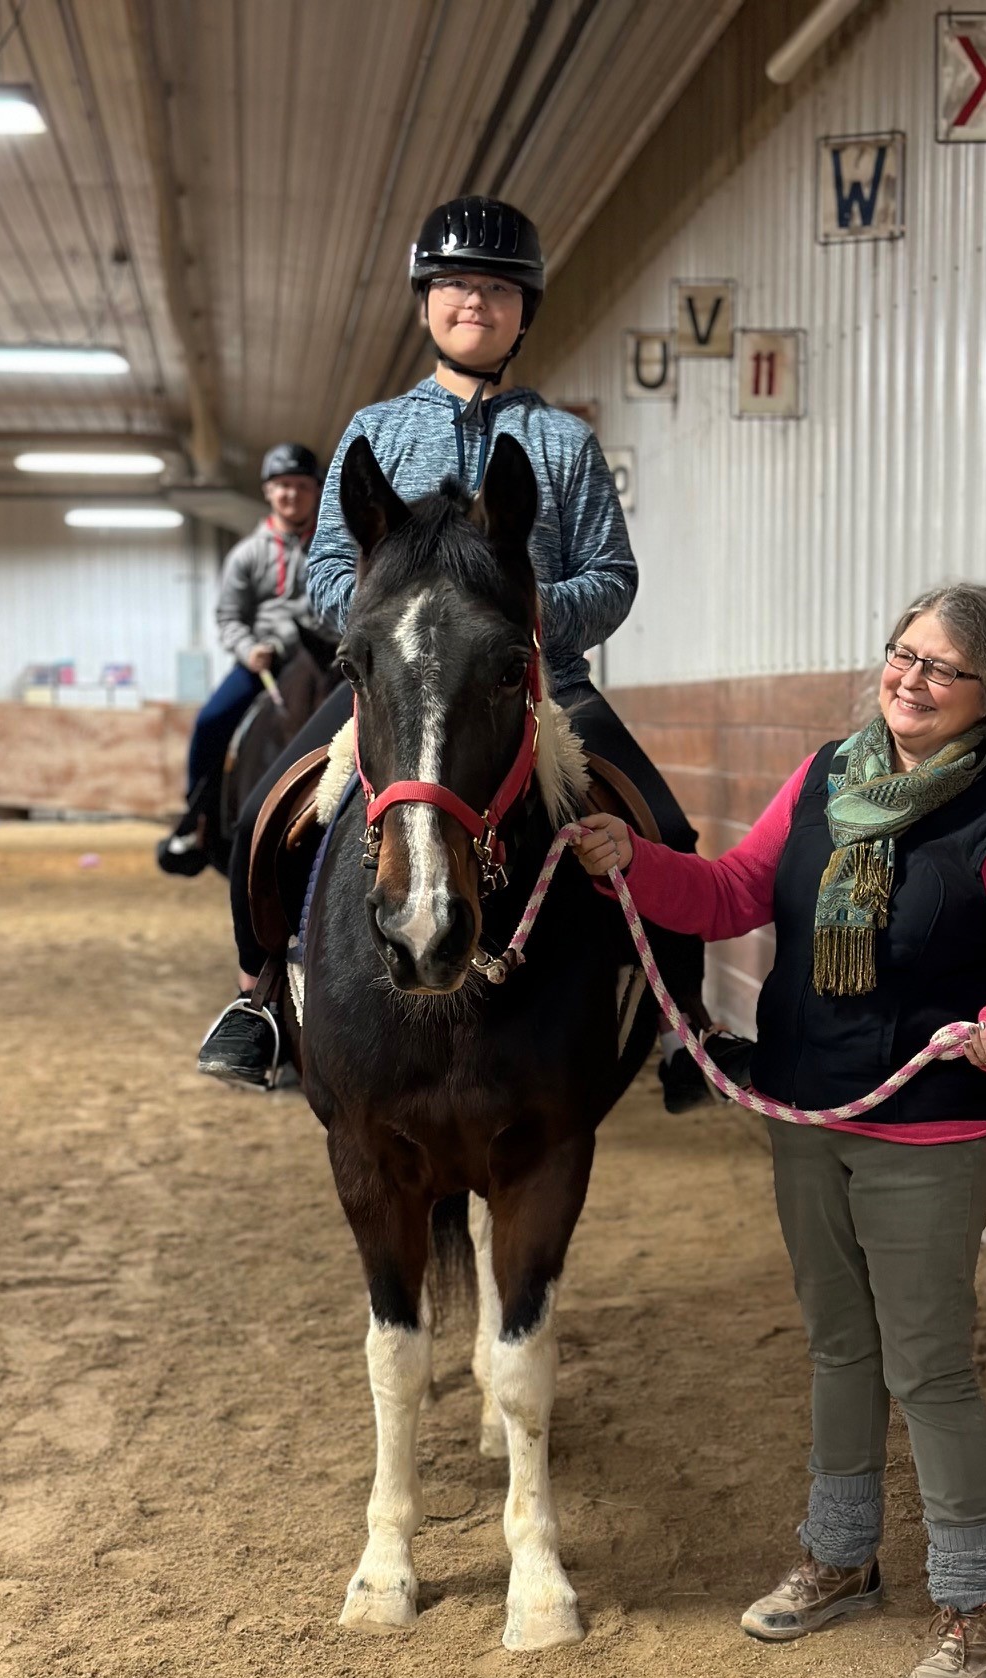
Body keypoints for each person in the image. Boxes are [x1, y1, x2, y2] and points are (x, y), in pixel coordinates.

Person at [571, 584, 986, 1678]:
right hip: (808, 1113)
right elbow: (735, 892)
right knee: (838, 1349)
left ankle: (979, 1612)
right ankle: (841, 1557)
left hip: (928, 1132)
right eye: (903, 655)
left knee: (930, 1368)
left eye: (942, 669)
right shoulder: (824, 778)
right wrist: (634, 859)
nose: (910, 679)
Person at [196, 193, 709, 1102]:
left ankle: (682, 1024)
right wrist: (400, 622)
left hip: (542, 684)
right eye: (457, 285)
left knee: (665, 827)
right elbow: (325, 569)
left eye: (499, 289)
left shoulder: (563, 444)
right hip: (395, 684)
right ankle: (258, 998)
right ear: (427, 300)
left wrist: (520, 618)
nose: (477, 301)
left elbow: (614, 575)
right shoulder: (375, 432)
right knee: (259, 820)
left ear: (524, 312)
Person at [158, 443, 329, 877]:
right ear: (269, 492)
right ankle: (196, 819)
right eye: (283, 486)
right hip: (265, 665)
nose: (292, 495)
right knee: (211, 721)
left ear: (315, 491)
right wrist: (248, 648)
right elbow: (229, 616)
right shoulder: (247, 554)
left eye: (301, 486)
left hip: (323, 659)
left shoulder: (334, 549)